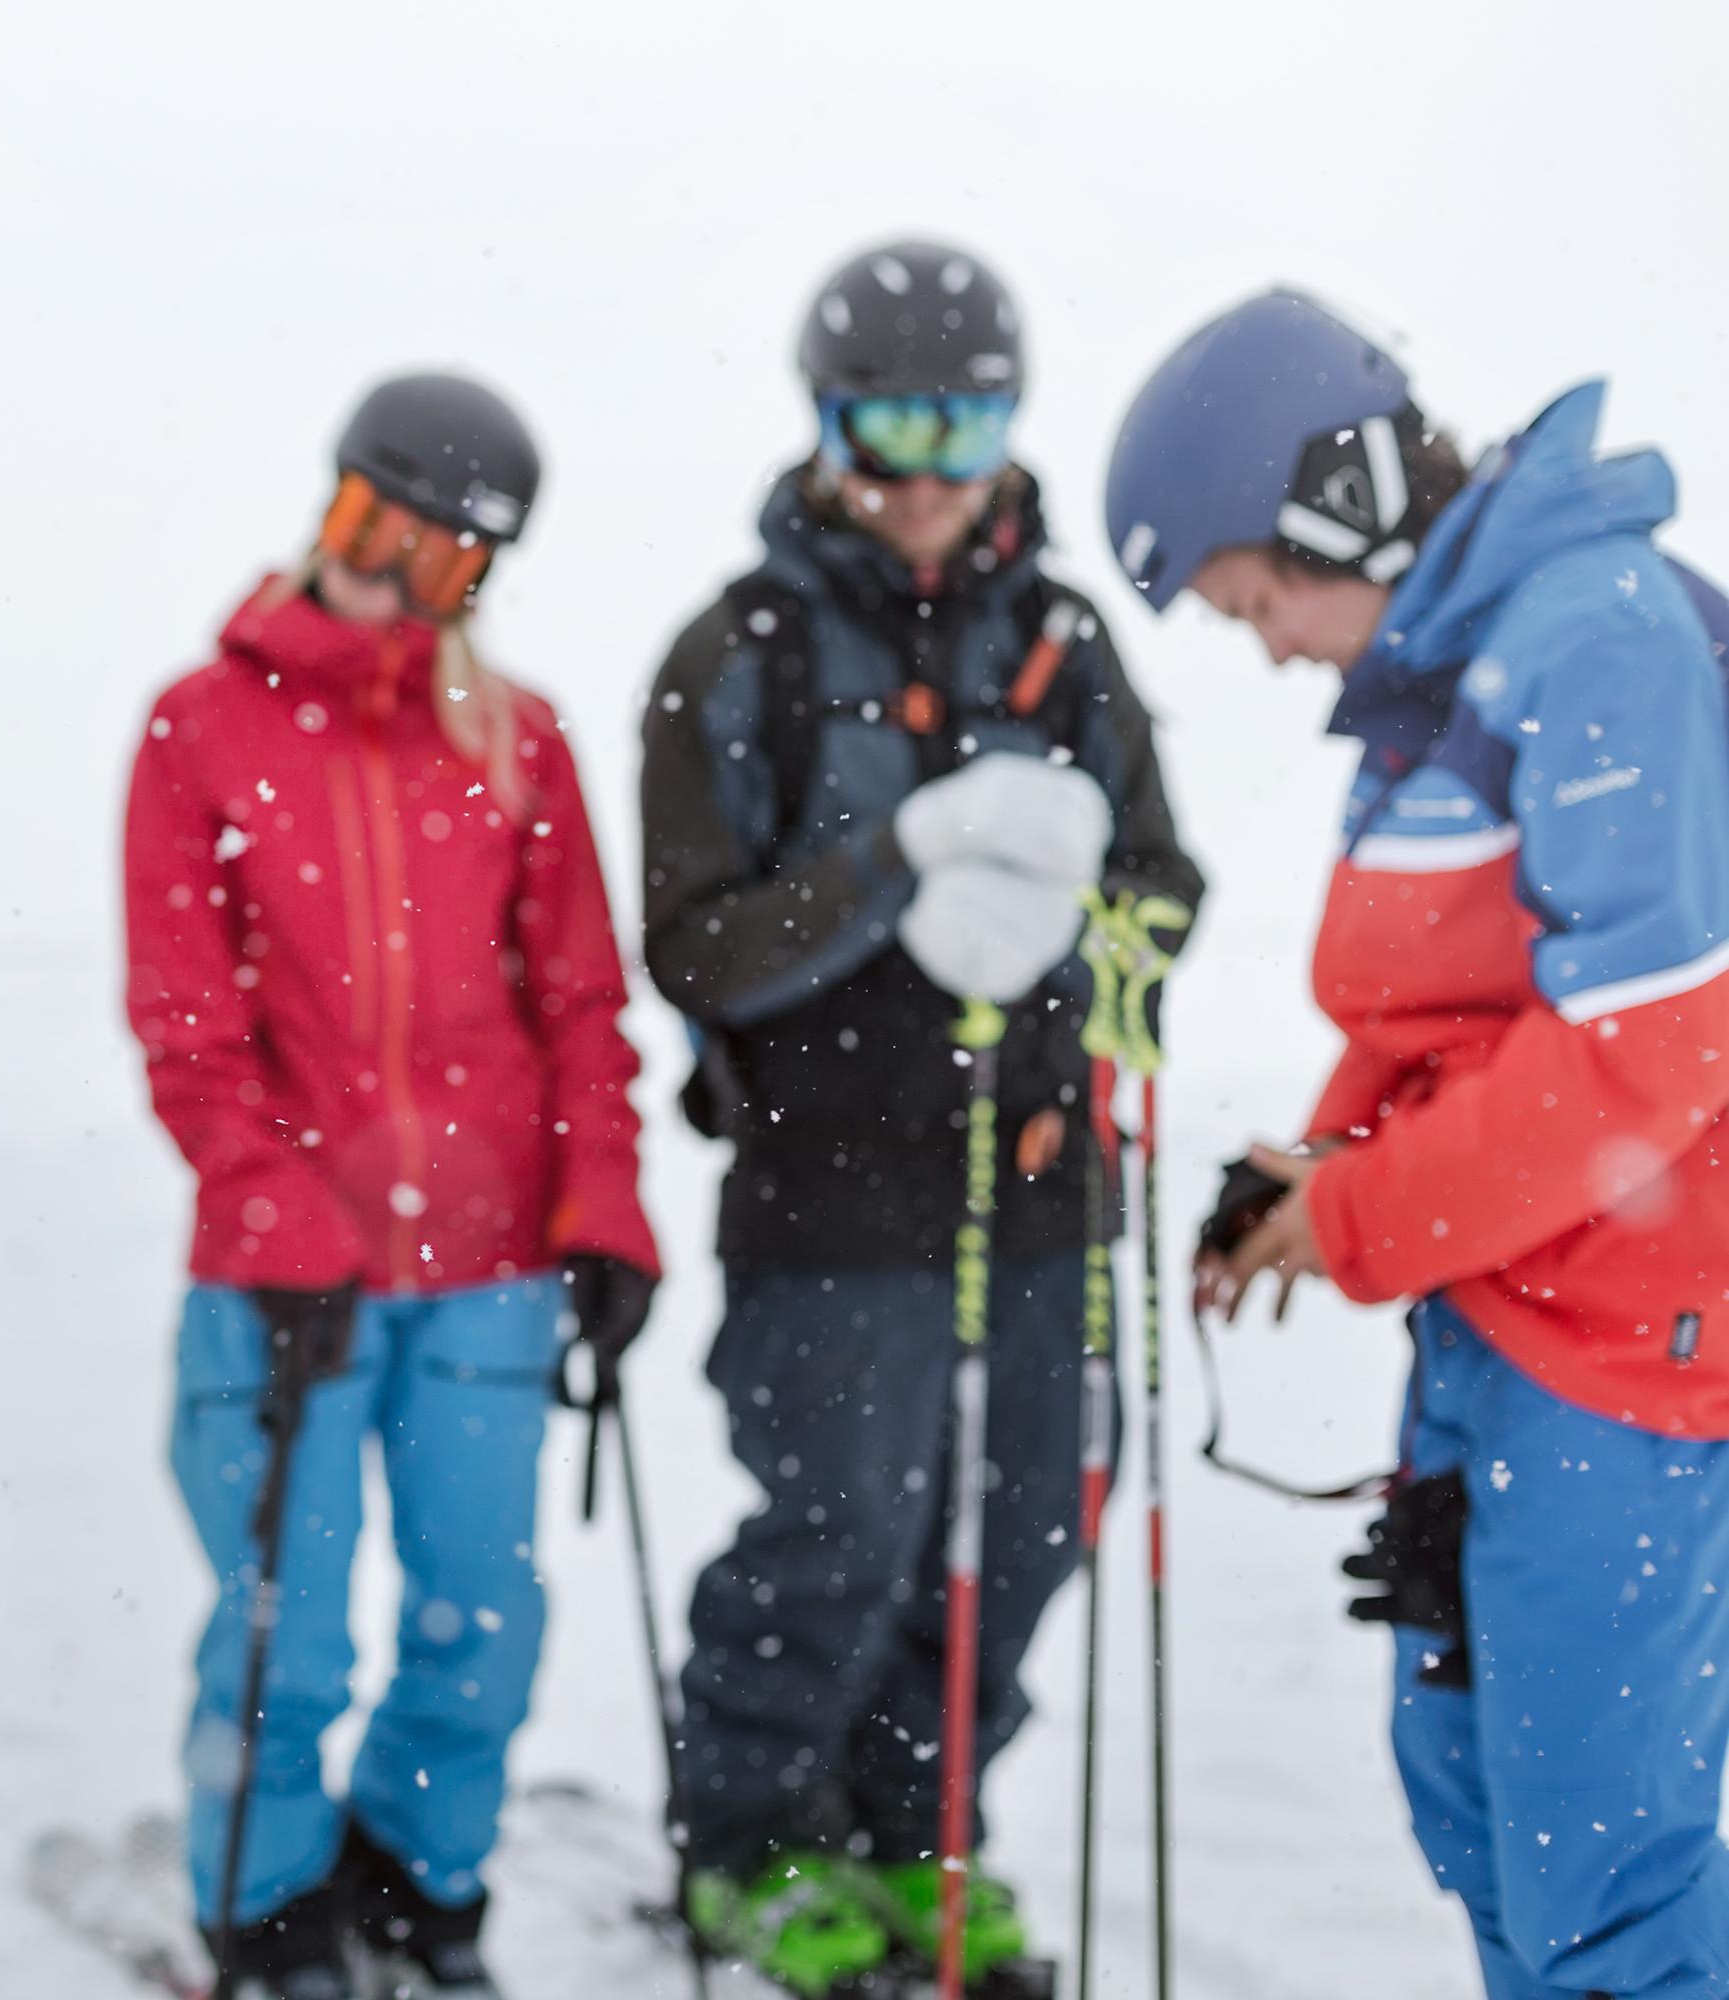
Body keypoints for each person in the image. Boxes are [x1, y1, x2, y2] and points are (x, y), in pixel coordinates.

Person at [1111, 289, 1729, 2000]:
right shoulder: (1455, 671)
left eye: (1259, 603)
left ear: (1335, 503)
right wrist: (1313, 1174)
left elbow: (1643, 1050)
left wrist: (1361, 1214)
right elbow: (1448, 1013)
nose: (1276, 648)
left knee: (1598, 1853)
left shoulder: (1596, 635)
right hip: (1504, 1320)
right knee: (1471, 1794)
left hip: (1631, 1349)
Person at [638, 240, 1203, 1995]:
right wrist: (894, 869)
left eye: (966, 422)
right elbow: (696, 945)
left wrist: (1085, 931)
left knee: (1027, 1522)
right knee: (844, 1529)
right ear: (825, 421)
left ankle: (918, 1845)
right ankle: (758, 1845)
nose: (930, 470)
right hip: (831, 1187)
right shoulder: (737, 650)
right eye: (889, 420)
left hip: (1039, 1178)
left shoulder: (1066, 639)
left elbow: (1163, 884)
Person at [122, 373, 662, 2000]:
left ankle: (426, 1879)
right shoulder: (201, 728)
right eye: (374, 529)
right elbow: (188, 1026)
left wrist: (606, 1215)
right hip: (281, 1286)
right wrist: (284, 1219)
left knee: (479, 1626)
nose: (388, 578)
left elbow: (581, 1007)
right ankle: (270, 1901)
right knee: (289, 1635)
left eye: (441, 563)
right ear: (328, 502)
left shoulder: (519, 740)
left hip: (488, 1272)